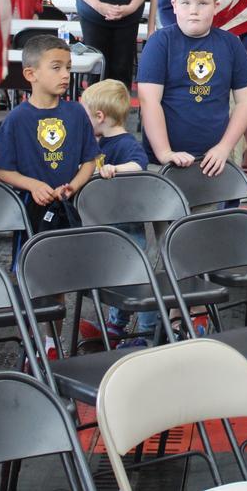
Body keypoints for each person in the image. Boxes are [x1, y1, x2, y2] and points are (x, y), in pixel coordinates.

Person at [138, 0, 247, 175]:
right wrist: (165, 152)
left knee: (216, 208)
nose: (194, 10)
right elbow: (149, 101)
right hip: (165, 162)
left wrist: (224, 147)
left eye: (202, 3)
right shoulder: (160, 43)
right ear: (174, 5)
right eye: (185, 2)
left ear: (215, 6)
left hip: (215, 160)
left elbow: (246, 99)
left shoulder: (230, 44)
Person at [0, 35, 99, 245]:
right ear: (31, 74)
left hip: (70, 204)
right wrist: (33, 185)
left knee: (73, 258)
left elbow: (89, 160)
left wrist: (73, 187)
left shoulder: (76, 113)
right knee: (32, 263)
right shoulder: (16, 119)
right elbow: (2, 169)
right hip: (31, 207)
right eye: (56, 68)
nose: (66, 74)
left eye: (68, 67)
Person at [79, 79, 156, 347]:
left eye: (85, 116)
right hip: (109, 225)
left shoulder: (124, 144)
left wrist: (115, 169)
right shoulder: (98, 142)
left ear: (100, 117)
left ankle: (148, 333)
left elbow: (139, 164)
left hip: (126, 229)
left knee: (136, 279)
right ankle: (117, 324)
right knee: (118, 279)